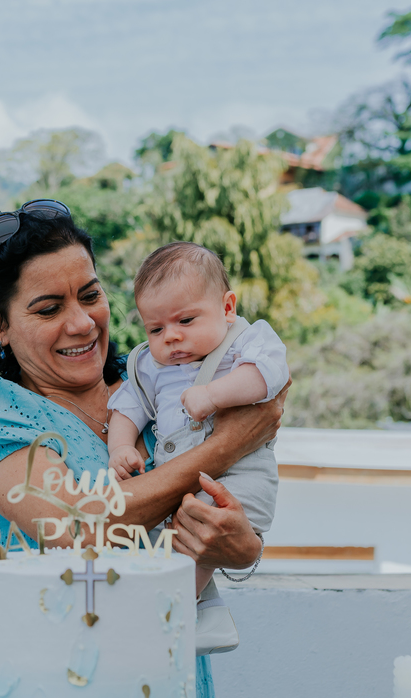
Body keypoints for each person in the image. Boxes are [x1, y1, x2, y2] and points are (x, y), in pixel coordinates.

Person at [0, 200, 289, 698]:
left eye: (91, 295)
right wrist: (227, 443)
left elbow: (217, 515)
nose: (81, 323)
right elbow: (77, 525)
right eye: (49, 308)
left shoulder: (152, 392)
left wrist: (240, 546)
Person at [107, 242, 288, 655]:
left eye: (186, 320)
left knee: (200, 537)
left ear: (227, 307)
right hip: (178, 482)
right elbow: (127, 406)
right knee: (167, 538)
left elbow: (269, 377)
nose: (171, 337)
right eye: (155, 329)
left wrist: (214, 395)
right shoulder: (150, 366)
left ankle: (175, 606)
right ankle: (199, 611)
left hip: (240, 479)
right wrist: (120, 446)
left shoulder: (245, 341)